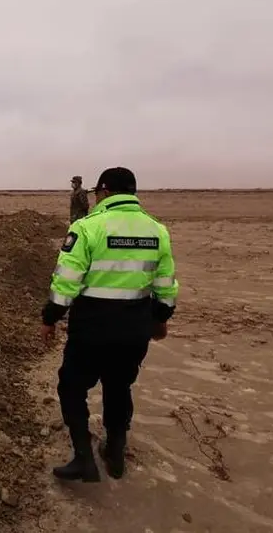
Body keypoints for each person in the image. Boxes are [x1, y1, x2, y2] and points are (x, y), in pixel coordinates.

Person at [39, 166, 179, 481]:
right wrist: (160, 319)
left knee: (72, 386)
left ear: (103, 192)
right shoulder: (157, 230)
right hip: (134, 329)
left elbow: (66, 282)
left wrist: (50, 318)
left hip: (91, 327)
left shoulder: (87, 227)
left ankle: (83, 458)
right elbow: (166, 284)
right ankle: (115, 452)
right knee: (119, 386)